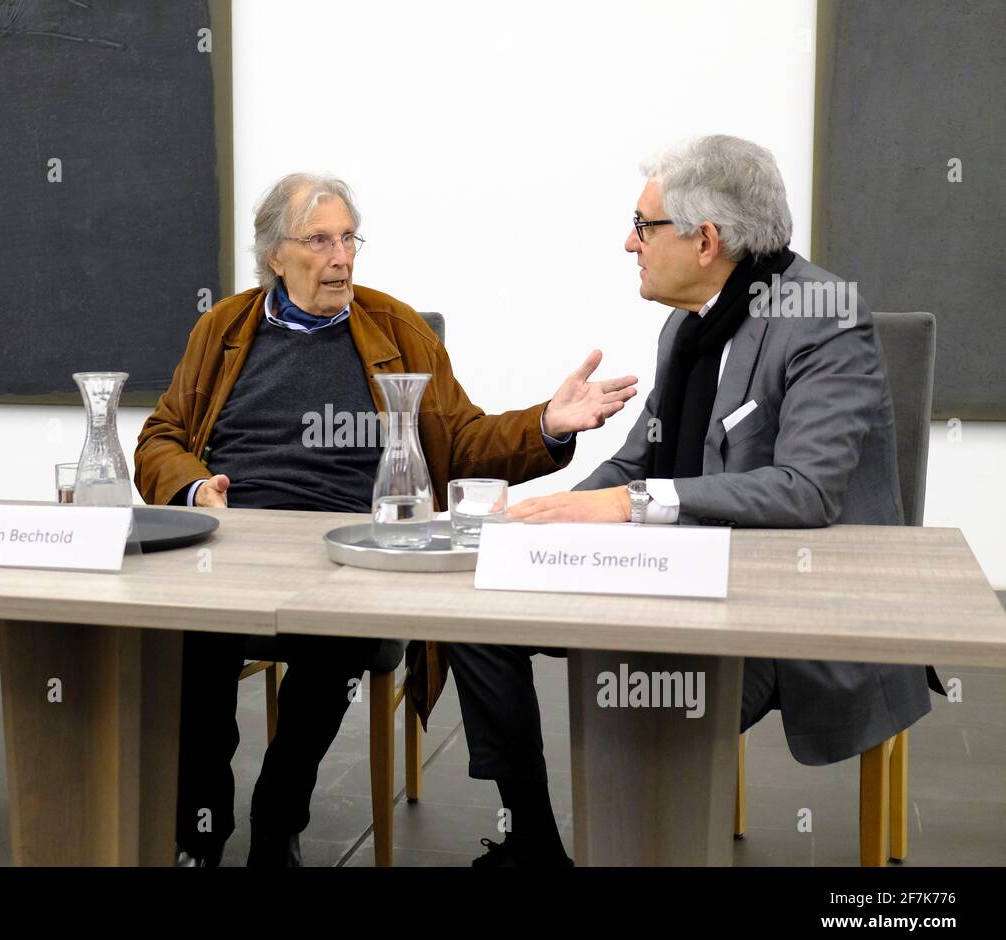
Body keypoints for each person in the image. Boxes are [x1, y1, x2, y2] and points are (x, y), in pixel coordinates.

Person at [450, 134, 939, 866]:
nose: (628, 243)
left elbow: (804, 492)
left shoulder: (823, 317)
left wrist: (630, 505)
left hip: (773, 611)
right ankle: (534, 845)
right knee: (478, 616)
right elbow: (638, 460)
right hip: (666, 576)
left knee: (635, 698)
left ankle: (648, 841)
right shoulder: (687, 326)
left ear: (705, 239)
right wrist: (535, 529)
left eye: (642, 227)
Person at [134, 172, 637, 865]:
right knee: (190, 640)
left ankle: (278, 817)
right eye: (320, 241)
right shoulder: (222, 328)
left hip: (353, 550)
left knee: (336, 643)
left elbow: (462, 442)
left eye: (348, 239)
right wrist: (195, 488)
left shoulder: (396, 330)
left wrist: (548, 424)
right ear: (275, 255)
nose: (341, 258)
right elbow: (160, 436)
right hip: (241, 540)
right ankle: (198, 832)